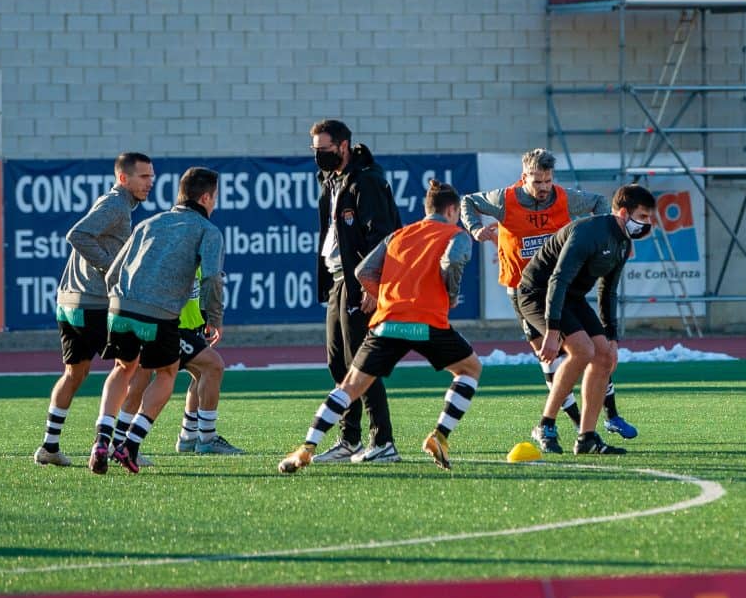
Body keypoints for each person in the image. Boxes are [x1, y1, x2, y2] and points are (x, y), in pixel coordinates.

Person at [281, 182, 483, 474]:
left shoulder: (398, 235)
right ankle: (439, 436)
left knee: (348, 387)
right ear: (452, 210)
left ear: (427, 210)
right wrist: (450, 294)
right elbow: (451, 261)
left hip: (388, 321)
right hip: (427, 321)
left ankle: (306, 448)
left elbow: (362, 271)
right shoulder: (456, 234)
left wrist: (382, 295)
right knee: (470, 369)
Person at [463, 149, 637, 439]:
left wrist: (601, 234)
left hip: (560, 288)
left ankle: (608, 416)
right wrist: (475, 228)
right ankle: (573, 421)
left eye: (547, 180)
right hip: (524, 290)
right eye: (536, 180)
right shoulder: (505, 200)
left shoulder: (565, 198)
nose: (543, 187)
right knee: (549, 357)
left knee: (593, 350)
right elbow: (467, 201)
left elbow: (599, 203)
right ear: (524, 178)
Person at [91, 167, 225, 475]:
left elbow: (113, 271)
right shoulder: (208, 230)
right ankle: (131, 445)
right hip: (160, 311)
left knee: (124, 369)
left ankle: (102, 440)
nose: (214, 204)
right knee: (166, 373)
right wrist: (213, 318)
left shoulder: (149, 222)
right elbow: (213, 279)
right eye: (214, 198)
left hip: (121, 306)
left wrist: (118, 303)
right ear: (205, 197)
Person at [515, 184, 658, 456]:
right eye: (643, 216)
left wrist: (613, 338)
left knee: (604, 356)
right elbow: (557, 279)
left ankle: (587, 438)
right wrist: (552, 330)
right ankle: (545, 424)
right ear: (624, 212)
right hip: (538, 293)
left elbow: (608, 291)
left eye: (650, 218)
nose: (647, 224)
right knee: (582, 350)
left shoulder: (623, 242)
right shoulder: (588, 232)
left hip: (572, 297)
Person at [36, 151, 153, 466]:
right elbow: (77, 234)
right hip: (95, 302)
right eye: (143, 177)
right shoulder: (115, 204)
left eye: (151, 176)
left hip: (70, 300)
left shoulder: (117, 205)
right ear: (123, 178)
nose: (150, 182)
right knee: (134, 366)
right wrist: (112, 267)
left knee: (75, 373)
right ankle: (117, 446)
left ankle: (49, 446)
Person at [312, 120, 402, 463]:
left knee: (360, 363)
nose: (319, 155)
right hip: (338, 280)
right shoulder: (330, 181)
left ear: (343, 146)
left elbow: (384, 237)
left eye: (324, 149)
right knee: (338, 363)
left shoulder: (367, 181)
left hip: (360, 283)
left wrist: (375, 286)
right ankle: (349, 439)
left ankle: (383, 440)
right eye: (315, 149)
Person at [117, 266, 241, 455]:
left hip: (188, 324)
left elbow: (201, 285)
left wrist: (204, 316)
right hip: (170, 325)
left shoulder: (192, 246)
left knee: (201, 374)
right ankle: (206, 437)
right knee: (212, 367)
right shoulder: (179, 244)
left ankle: (188, 437)